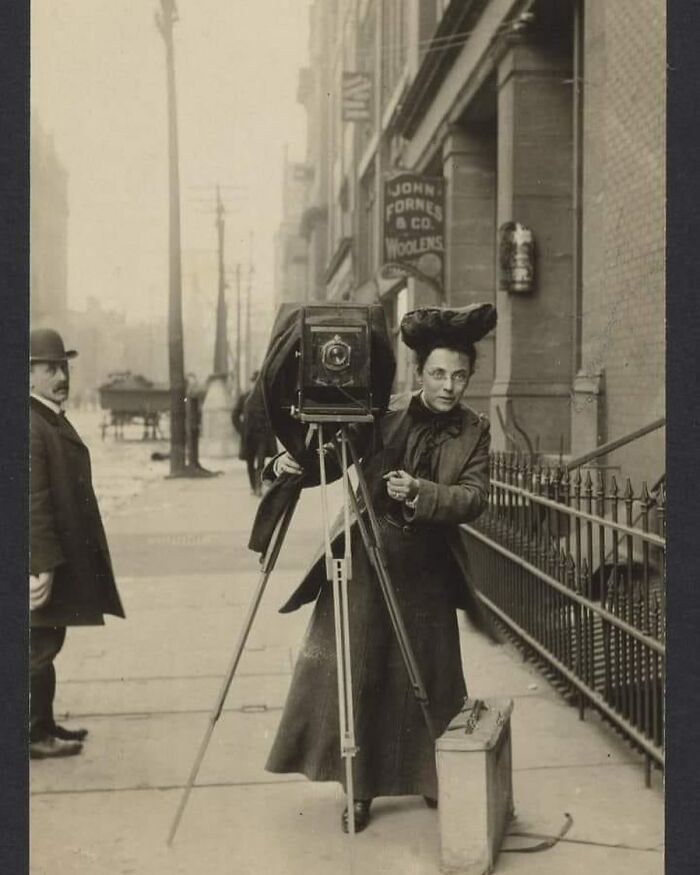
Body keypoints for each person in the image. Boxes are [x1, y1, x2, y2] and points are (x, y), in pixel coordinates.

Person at [263, 304, 498, 833]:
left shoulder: (475, 432)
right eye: (438, 374)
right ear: (419, 373)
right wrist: (285, 463)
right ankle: (360, 788)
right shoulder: (382, 415)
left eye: (460, 375)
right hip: (369, 560)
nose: (449, 386)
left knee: (434, 677)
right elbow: (325, 459)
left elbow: (474, 497)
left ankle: (434, 775)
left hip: (428, 569)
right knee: (362, 674)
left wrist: (423, 493)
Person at [29, 328, 125, 759]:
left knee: (47, 641)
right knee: (37, 646)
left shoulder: (47, 416)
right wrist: (40, 564)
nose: (60, 375)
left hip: (53, 557)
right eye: (49, 368)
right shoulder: (31, 423)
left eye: (63, 366)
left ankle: (43, 724)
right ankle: (32, 733)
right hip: (41, 561)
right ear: (26, 375)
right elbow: (32, 503)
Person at [231, 371, 278, 496]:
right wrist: (241, 429)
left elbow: (274, 416)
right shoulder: (244, 398)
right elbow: (234, 415)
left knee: (261, 462)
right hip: (248, 436)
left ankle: (258, 487)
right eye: (254, 382)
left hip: (263, 435)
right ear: (252, 383)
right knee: (249, 462)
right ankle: (253, 486)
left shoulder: (266, 399)